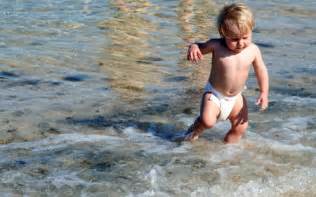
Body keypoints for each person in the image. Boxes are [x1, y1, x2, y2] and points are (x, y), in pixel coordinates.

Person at [185, 3, 269, 143]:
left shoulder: (253, 50)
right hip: (215, 94)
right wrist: (194, 47)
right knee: (208, 121)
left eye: (245, 37)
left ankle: (226, 151)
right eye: (234, 39)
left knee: (240, 128)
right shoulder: (216, 46)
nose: (240, 43)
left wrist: (264, 92)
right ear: (223, 34)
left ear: (251, 30)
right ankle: (196, 127)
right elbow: (199, 47)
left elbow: (261, 70)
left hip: (236, 98)